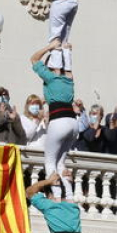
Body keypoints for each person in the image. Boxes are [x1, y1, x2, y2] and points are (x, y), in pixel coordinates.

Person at [31, 40, 77, 198]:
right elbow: (68, 67)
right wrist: (66, 51)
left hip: (59, 121)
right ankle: (69, 196)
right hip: (73, 123)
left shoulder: (51, 78)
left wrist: (50, 47)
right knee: (60, 163)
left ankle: (57, 196)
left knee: (50, 161)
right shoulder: (68, 78)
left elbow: (33, 59)